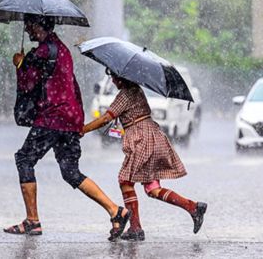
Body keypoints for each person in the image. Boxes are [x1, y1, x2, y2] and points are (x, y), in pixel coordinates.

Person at [4, 14, 130, 241]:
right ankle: (115, 210)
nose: (27, 30)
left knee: (24, 159)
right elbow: (70, 83)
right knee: (70, 172)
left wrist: (19, 64)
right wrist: (77, 119)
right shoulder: (62, 50)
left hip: (52, 118)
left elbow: (27, 83)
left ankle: (32, 221)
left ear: (37, 26)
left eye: (28, 25)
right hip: (70, 119)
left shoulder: (41, 52)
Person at [82, 70, 207, 241]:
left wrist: (84, 129)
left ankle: (135, 228)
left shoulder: (126, 94)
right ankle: (193, 207)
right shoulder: (136, 90)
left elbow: (105, 119)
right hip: (152, 136)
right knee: (152, 188)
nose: (112, 80)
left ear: (122, 78)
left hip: (142, 139)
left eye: (114, 77)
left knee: (125, 181)